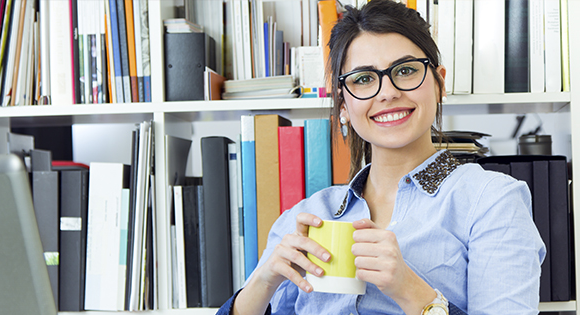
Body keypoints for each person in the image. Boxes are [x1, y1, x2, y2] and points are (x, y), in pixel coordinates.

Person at [217, 0, 545, 314]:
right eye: (363, 79)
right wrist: (263, 281)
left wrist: (413, 292)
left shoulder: (491, 201)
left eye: (405, 70)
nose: (387, 92)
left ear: (439, 84)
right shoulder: (306, 216)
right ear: (344, 105)